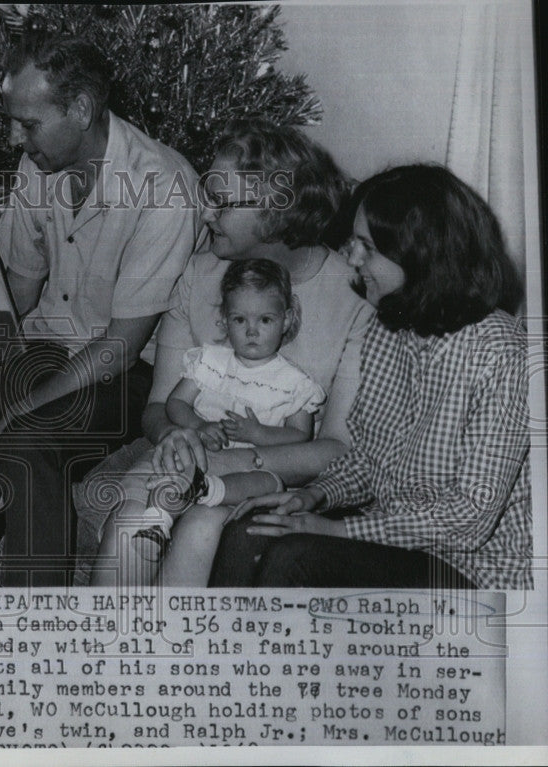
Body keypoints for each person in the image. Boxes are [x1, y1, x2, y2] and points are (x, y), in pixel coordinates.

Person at [0, 31, 199, 586]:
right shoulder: (37, 166)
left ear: (81, 108)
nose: (14, 138)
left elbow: (118, 350)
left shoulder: (164, 187)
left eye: (27, 124)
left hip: (120, 375)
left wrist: (13, 414)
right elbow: (15, 291)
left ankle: (37, 629)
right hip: (37, 353)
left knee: (24, 444)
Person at [74, 119, 374, 587]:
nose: (206, 212)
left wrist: (234, 463)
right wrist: (178, 435)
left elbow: (336, 448)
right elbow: (157, 407)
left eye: (221, 200)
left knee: (199, 527)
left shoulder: (354, 299)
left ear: (278, 210)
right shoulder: (197, 275)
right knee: (129, 526)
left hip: (274, 477)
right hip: (187, 458)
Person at [226, 165, 530, 589]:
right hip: (393, 538)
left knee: (297, 557)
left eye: (366, 248)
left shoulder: (502, 354)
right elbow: (369, 461)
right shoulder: (388, 327)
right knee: (250, 530)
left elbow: (470, 519)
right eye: (353, 244)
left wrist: (337, 530)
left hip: (473, 571)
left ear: (419, 253)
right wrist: (314, 495)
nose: (352, 259)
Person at [91, 259, 324, 587]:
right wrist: (198, 426)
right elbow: (175, 402)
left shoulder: (294, 384)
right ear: (225, 321)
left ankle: (202, 490)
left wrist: (258, 433)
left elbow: (300, 437)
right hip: (196, 454)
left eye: (265, 320)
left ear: (286, 320)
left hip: (243, 469)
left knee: (268, 482)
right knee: (166, 461)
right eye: (240, 319)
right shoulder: (210, 363)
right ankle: (156, 518)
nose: (252, 331)